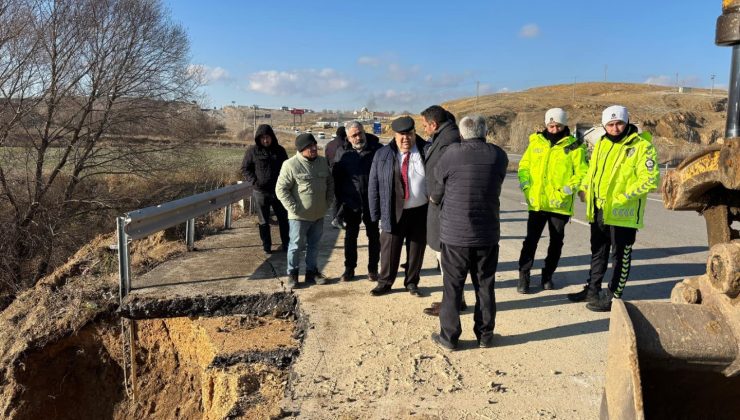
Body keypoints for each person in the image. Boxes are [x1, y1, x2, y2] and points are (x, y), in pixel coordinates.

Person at [567, 105, 659, 311]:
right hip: (599, 209)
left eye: (619, 123)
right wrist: (584, 190)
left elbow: (650, 180)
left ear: (627, 123)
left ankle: (614, 295)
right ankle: (592, 289)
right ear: (604, 125)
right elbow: (592, 172)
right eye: (610, 124)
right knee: (598, 251)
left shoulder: (641, 146)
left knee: (621, 255)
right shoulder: (602, 144)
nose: (615, 128)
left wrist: (622, 198)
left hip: (622, 212)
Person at [429, 115, 508, 351]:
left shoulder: (452, 153)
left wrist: (435, 198)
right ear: (485, 133)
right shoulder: (498, 155)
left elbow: (438, 183)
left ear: (462, 134)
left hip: (455, 235)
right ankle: (485, 335)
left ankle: (449, 337)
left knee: (452, 286)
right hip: (487, 233)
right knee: (485, 285)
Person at [516, 108, 588, 293]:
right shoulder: (536, 143)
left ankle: (547, 276)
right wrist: (526, 187)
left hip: (559, 205)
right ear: (546, 124)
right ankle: (524, 276)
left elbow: (581, 173)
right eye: (551, 125)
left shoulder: (574, 146)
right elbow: (524, 166)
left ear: (565, 125)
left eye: (558, 125)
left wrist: (565, 191)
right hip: (537, 203)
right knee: (531, 241)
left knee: (556, 242)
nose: (554, 129)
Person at [368, 116, 429, 297]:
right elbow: (373, 185)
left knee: (416, 250)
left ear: (414, 133)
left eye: (409, 134)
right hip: (392, 210)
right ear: (394, 136)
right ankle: (385, 282)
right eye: (401, 135)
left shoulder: (427, 151)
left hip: (420, 211)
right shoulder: (383, 154)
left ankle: (411, 282)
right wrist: (375, 214)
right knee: (389, 250)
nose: (405, 139)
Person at [419, 106, 467, 316]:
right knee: (444, 258)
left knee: (447, 259)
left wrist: (435, 195)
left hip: (444, 207)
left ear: (434, 124)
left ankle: (452, 303)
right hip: (441, 207)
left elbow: (446, 172)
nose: (424, 129)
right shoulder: (445, 136)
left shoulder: (449, 140)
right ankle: (455, 300)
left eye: (425, 125)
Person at [275, 133, 334, 289]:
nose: (314, 148)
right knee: (295, 246)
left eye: (314, 145)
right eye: (309, 147)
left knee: (314, 246)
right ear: (301, 149)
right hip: (299, 217)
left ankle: (311, 273)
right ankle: (292, 274)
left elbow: (330, 184)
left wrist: (327, 203)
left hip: (319, 215)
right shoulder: (290, 165)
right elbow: (281, 190)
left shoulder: (322, 162)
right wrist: (294, 208)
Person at [332, 121, 382, 282]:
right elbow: (336, 180)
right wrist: (337, 209)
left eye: (360, 133)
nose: (358, 137)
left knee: (373, 235)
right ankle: (349, 269)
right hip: (351, 202)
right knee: (350, 236)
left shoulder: (377, 149)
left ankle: (373, 269)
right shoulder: (342, 152)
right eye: (354, 135)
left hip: (372, 200)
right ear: (348, 137)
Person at [240, 124, 290, 255]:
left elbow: (288, 169)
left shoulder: (280, 151)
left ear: (272, 137)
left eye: (268, 137)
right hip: (260, 192)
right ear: (258, 139)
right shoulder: (252, 151)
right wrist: (254, 181)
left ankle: (287, 243)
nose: (266, 140)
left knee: (283, 219)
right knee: (263, 221)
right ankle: (266, 245)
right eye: (263, 138)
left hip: (279, 191)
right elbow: (245, 169)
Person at [325, 126, 347, 229]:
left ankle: (335, 219)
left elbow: (326, 160)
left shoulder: (329, 144)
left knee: (335, 198)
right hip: (343, 174)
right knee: (344, 197)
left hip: (331, 173)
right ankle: (339, 219)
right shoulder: (344, 145)